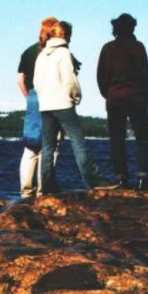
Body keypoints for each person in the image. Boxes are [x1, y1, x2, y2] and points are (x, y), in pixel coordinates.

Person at [33, 18, 110, 194]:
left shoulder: (42, 55)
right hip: (63, 104)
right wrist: (76, 97)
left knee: (47, 148)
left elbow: (36, 82)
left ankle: (47, 186)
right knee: (78, 143)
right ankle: (94, 181)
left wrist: (44, 97)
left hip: (46, 105)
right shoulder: (64, 53)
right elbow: (69, 80)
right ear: (67, 35)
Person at [97, 13, 148, 191]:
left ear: (115, 29)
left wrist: (109, 95)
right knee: (143, 139)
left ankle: (121, 178)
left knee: (117, 139)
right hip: (137, 98)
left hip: (115, 98)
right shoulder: (138, 47)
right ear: (132, 28)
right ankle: (143, 179)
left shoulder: (107, 48)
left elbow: (101, 77)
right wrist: (146, 97)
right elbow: (146, 76)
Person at [16, 18, 60, 199]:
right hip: (53, 99)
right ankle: (43, 191)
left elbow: (20, 79)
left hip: (33, 98)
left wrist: (29, 98)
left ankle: (26, 192)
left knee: (30, 147)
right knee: (51, 146)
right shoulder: (56, 52)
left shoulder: (28, 52)